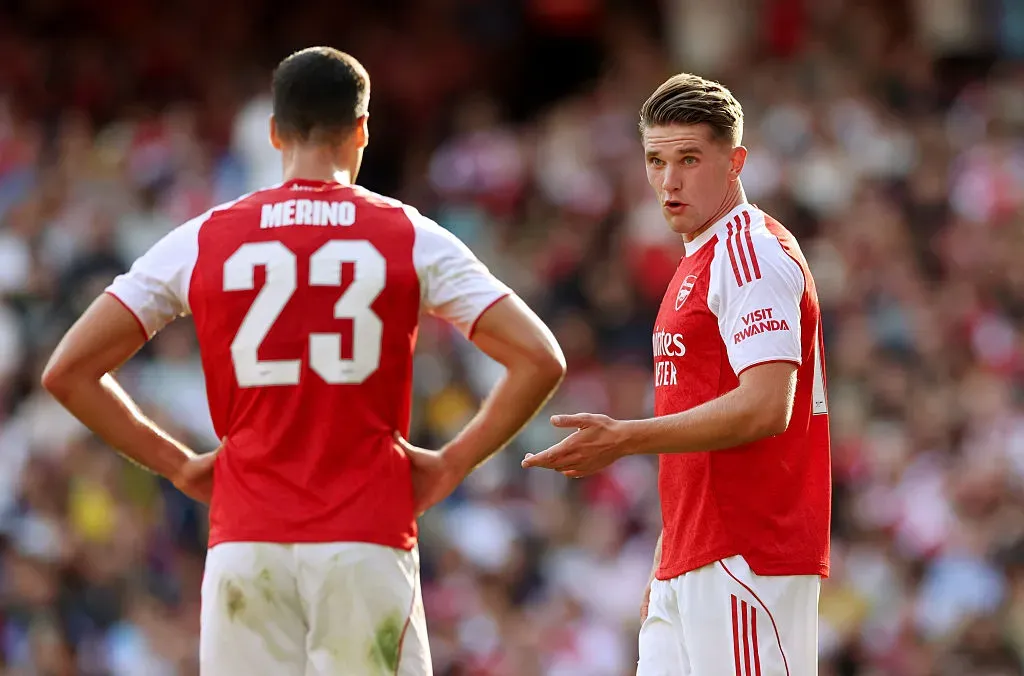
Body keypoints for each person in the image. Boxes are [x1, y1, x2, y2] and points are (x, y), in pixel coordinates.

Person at [41, 47, 566, 676]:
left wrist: (179, 466)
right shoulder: (408, 234)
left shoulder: (203, 237)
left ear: (273, 131)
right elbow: (540, 357)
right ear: (363, 130)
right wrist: (451, 465)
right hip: (365, 535)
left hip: (246, 539)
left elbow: (68, 370)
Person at [523, 73, 831, 675]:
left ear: (736, 161)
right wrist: (673, 549)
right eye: (656, 160)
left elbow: (768, 405)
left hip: (747, 554)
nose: (669, 181)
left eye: (689, 158)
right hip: (695, 554)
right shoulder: (700, 258)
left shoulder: (751, 253)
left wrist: (626, 438)